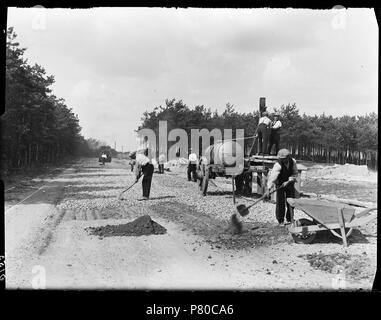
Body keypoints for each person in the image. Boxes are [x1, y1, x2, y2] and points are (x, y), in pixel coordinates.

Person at [265, 148, 298, 226]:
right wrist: (268, 189)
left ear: (288, 157)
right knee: (280, 202)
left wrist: (289, 180)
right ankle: (280, 220)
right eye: (282, 159)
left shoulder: (293, 162)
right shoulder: (278, 165)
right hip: (280, 183)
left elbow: (295, 173)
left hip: (289, 183)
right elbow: (272, 178)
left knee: (291, 201)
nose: (283, 160)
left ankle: (290, 219)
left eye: (285, 158)